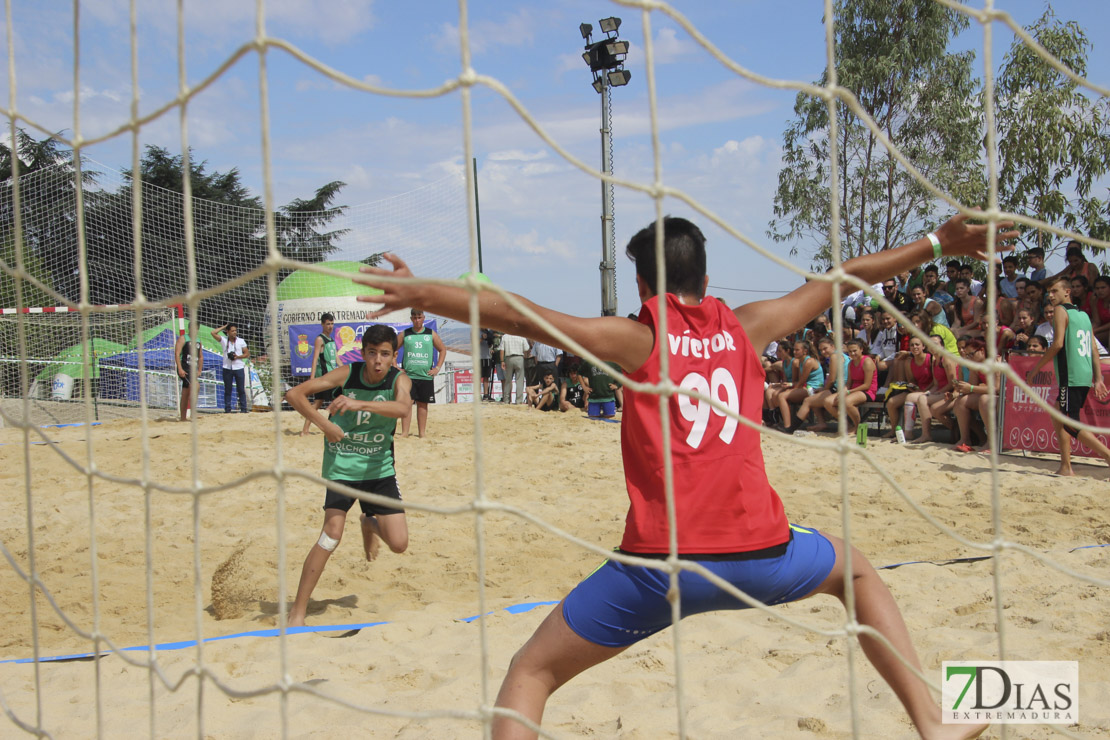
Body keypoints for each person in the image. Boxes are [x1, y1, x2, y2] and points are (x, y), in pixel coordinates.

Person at [355, 213, 1012, 740]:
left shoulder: (638, 338)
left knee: (530, 672)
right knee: (856, 570)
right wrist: (937, 242)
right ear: (706, 274)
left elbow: (524, 318)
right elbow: (845, 279)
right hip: (765, 556)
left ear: (644, 286)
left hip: (659, 571)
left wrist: (424, 293)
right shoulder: (750, 327)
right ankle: (932, 719)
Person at [284, 325, 413, 627]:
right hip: (342, 467)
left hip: (379, 470)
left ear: (394, 356)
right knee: (331, 536)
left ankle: (369, 523)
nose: (378, 361)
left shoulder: (399, 379)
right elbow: (294, 394)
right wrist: (324, 425)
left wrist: (359, 403)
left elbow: (404, 409)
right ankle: (297, 613)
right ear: (364, 353)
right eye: (372, 353)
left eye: (385, 354)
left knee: (400, 544)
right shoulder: (348, 374)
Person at [1024, 276, 1110, 476]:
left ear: (1067, 292)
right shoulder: (1084, 315)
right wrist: (1097, 378)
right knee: (1058, 416)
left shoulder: (1061, 311)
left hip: (1070, 374)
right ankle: (1065, 466)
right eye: (1049, 292)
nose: (1050, 295)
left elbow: (1058, 344)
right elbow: (1094, 351)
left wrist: (1036, 369)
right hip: (1082, 372)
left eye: (1054, 291)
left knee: (1070, 424)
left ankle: (1107, 455)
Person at [397, 309, 446, 437]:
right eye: (414, 317)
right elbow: (392, 349)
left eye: (419, 317)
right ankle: (405, 433)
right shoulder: (405, 334)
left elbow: (442, 349)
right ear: (411, 318)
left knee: (423, 405)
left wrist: (437, 368)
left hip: (425, 376)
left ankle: (422, 434)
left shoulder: (431, 334)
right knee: (407, 404)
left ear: (423, 317)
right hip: (408, 376)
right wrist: (395, 367)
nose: (417, 320)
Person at [820, 337, 876, 431]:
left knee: (847, 401)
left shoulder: (867, 361)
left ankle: (857, 427)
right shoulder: (851, 363)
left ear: (861, 349)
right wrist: (844, 391)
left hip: (867, 391)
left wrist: (848, 392)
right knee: (828, 401)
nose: (852, 353)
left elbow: (867, 385)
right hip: (854, 390)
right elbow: (849, 382)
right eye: (850, 351)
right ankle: (847, 424)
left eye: (855, 351)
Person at [301, 313, 340, 436]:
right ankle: (306, 430)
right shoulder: (320, 339)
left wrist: (346, 368)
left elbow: (336, 358)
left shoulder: (332, 339)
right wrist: (312, 378)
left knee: (327, 401)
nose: (330, 326)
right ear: (322, 324)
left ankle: (307, 429)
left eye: (332, 323)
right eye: (328, 324)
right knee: (319, 402)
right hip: (324, 377)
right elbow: (315, 358)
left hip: (333, 375)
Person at [211, 323, 249, 413]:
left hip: (239, 367)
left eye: (235, 330)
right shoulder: (224, 340)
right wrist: (224, 326)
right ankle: (227, 409)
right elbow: (213, 333)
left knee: (241, 389)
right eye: (232, 331)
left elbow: (247, 354)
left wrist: (237, 357)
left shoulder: (241, 341)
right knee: (228, 389)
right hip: (227, 367)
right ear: (227, 332)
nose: (234, 332)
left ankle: (244, 409)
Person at [174, 331, 204, 422]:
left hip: (193, 370)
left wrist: (199, 370)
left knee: (185, 393)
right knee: (196, 385)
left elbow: (201, 356)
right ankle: (193, 412)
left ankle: (183, 418)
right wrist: (180, 369)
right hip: (185, 369)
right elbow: (177, 353)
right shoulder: (183, 338)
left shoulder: (198, 341)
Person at [499, 332, 529, 404]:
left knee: (508, 381)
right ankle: (519, 400)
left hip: (509, 358)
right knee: (519, 381)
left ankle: (506, 400)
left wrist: (502, 361)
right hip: (519, 358)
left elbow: (502, 350)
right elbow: (526, 348)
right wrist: (525, 356)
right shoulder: (521, 336)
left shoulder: (505, 336)